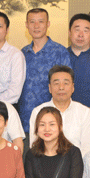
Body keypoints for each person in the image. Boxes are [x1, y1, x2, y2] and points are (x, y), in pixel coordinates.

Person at [19, 8, 71, 136]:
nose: (36, 26)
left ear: (48, 24)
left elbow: (66, 86)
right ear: (26, 25)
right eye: (32, 22)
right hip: (25, 121)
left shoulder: (60, 52)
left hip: (52, 122)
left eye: (41, 21)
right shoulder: (22, 53)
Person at [28, 65, 90, 156]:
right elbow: (35, 145)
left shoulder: (85, 113)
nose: (61, 87)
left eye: (66, 83)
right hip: (46, 162)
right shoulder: (37, 112)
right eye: (56, 83)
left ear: (73, 87)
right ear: (49, 88)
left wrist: (74, 163)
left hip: (77, 163)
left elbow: (88, 148)